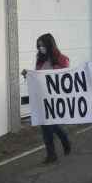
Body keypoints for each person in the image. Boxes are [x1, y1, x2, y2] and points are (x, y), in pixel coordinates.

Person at [22, 33, 71, 164]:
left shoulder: (62, 59)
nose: (40, 48)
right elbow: (38, 77)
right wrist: (29, 75)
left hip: (55, 98)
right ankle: (53, 151)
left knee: (49, 125)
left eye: (42, 45)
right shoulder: (40, 59)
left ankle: (60, 143)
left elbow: (65, 77)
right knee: (45, 125)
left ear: (49, 44)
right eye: (38, 46)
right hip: (42, 98)